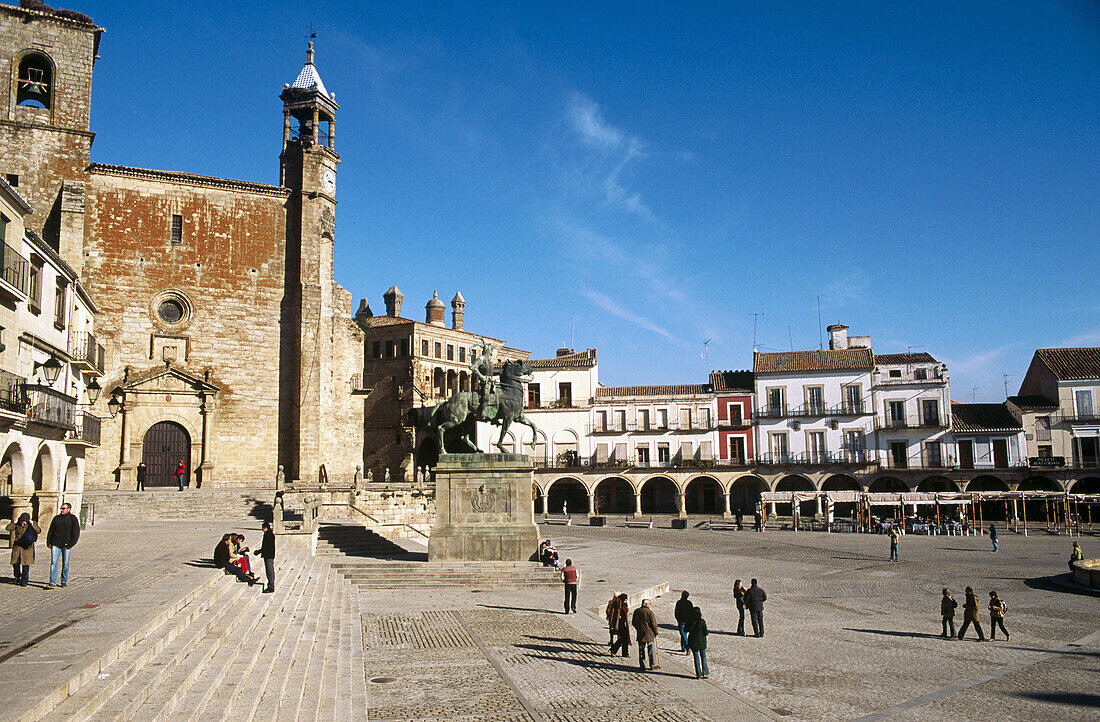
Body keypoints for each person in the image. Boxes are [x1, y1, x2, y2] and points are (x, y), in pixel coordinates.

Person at [46, 502, 80, 588]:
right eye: (61, 508)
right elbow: (51, 531)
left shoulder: (73, 519)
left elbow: (76, 533)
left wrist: (71, 544)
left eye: (63, 509)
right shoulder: (56, 518)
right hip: (56, 543)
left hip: (67, 544)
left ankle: (64, 581)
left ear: (68, 509)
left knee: (65, 564)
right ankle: (52, 581)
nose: (61, 510)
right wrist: (49, 542)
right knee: (54, 563)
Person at [6, 513, 41, 587]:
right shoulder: (17, 524)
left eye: (25, 521)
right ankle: (17, 576)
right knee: (15, 563)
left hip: (27, 548)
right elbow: (8, 528)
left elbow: (38, 531)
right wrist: (14, 522)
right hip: (17, 547)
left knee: (25, 565)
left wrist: (32, 524)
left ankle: (24, 581)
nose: (23, 522)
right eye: (22, 520)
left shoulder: (32, 524)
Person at [631, 599, 659, 671]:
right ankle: (653, 665)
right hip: (649, 634)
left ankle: (642, 665)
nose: (650, 605)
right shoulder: (649, 612)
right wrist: (656, 632)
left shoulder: (637, 611)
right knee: (651, 650)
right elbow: (653, 624)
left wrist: (638, 628)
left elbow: (633, 622)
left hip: (640, 633)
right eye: (649, 603)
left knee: (641, 650)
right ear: (646, 604)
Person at [253, 521, 276, 593]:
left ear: (265, 528)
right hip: (270, 555)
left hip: (268, 555)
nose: (262, 530)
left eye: (263, 528)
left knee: (269, 571)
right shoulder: (271, 534)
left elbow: (265, 547)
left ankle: (271, 587)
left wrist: (258, 552)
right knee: (270, 570)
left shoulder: (267, 535)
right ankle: (271, 585)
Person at [687, 606, 709, 679]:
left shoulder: (690, 621)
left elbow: (685, 629)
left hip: (693, 642)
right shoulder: (702, 622)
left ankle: (698, 674)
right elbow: (706, 632)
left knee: (696, 658)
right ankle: (705, 673)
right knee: (703, 657)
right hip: (701, 642)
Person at [608, 593, 631, 657]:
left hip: (623, 623)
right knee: (623, 638)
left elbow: (626, 611)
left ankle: (624, 653)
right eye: (625, 600)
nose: (626, 601)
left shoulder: (623, 605)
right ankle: (614, 650)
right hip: (619, 623)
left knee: (625, 638)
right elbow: (613, 613)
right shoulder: (618, 604)